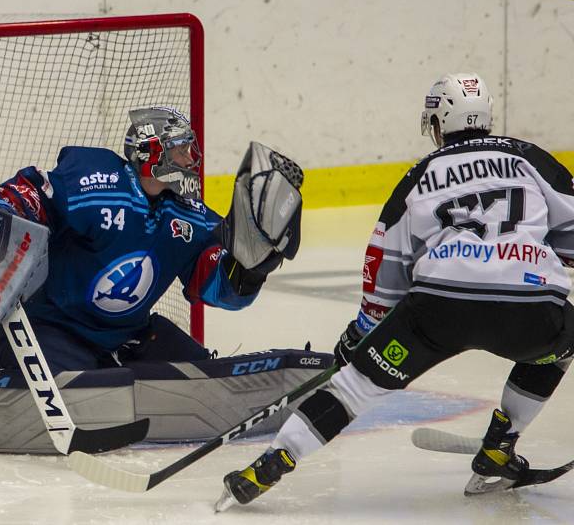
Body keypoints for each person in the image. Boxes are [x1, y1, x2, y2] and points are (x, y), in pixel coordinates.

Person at [217, 73, 574, 510]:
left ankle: (270, 464)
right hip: (529, 307)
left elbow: (386, 260)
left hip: (439, 307)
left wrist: (364, 330)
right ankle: (501, 445)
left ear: (440, 121)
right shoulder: (530, 157)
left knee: (353, 388)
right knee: (562, 347)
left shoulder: (420, 174)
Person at [0, 106, 300, 375]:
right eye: (180, 148)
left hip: (126, 338)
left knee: (201, 378)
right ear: (152, 151)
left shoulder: (190, 214)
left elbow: (216, 287)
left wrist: (252, 267)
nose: (191, 159)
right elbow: (34, 191)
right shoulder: (98, 179)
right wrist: (5, 216)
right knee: (78, 394)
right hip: (52, 331)